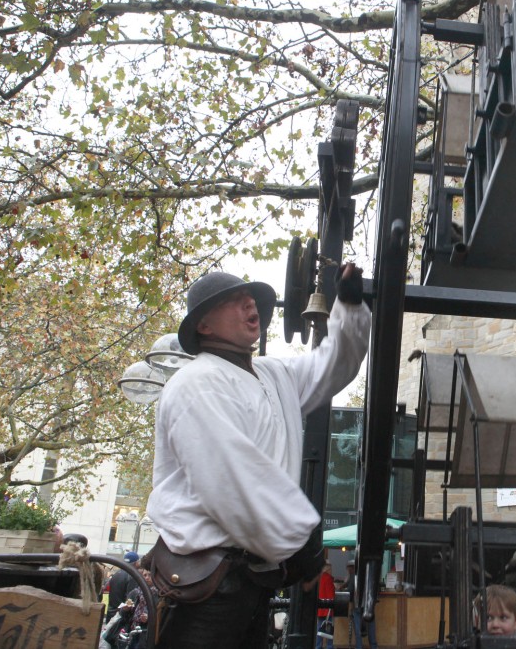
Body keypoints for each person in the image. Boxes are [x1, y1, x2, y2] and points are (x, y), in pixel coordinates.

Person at [146, 265, 371, 648]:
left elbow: (332, 365)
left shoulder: (273, 375)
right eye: (234, 300)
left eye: (250, 297)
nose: (250, 303)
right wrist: (299, 542)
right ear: (204, 325)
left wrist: (348, 307)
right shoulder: (196, 382)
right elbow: (232, 480)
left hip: (249, 577)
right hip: (207, 586)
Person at [345, 559, 378, 649]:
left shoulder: (353, 576)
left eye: (349, 568)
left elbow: (350, 591)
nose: (349, 570)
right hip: (369, 604)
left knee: (358, 628)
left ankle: (359, 647)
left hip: (357, 604)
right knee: (371, 627)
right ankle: (373, 646)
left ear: (353, 567)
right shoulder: (369, 574)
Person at [106, 551, 141, 622]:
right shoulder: (132, 576)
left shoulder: (116, 574)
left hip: (111, 613)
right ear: (136, 563)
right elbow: (130, 600)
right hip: (121, 617)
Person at [316, 562, 336, 649]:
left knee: (319, 629)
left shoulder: (319, 577)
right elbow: (330, 595)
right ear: (327, 569)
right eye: (330, 568)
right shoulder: (328, 578)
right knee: (329, 629)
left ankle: (318, 646)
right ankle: (329, 646)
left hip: (320, 608)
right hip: (328, 609)